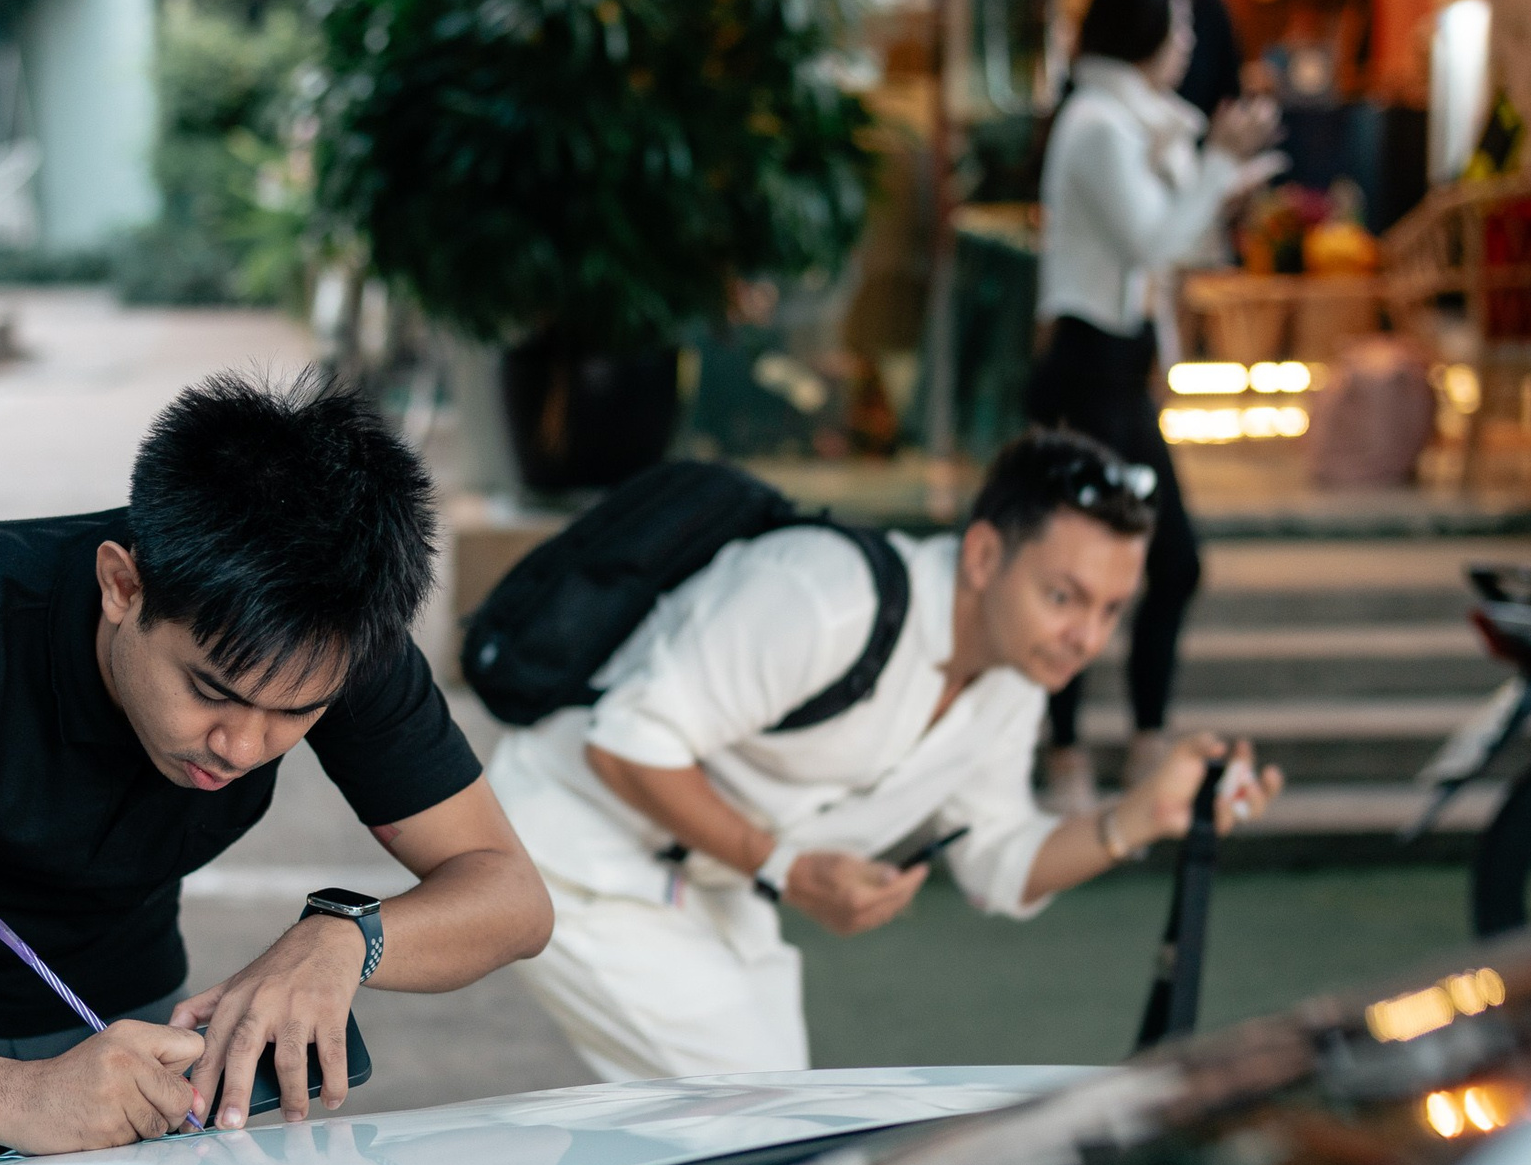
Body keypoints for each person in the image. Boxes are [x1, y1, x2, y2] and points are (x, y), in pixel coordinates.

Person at [0, 373, 553, 1165]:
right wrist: (16, 1096)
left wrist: (345, 939)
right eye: (212, 690)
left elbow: (511, 895)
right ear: (121, 585)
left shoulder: (332, 636)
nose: (244, 745)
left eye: (297, 713)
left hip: (131, 1023)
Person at [487, 430, 1284, 1083]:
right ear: (982, 557)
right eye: (1063, 595)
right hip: (570, 851)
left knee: (756, 1134)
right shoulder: (824, 595)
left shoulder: (1012, 682)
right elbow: (628, 743)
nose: (1088, 637)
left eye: (1112, 608)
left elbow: (999, 862)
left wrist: (1141, 817)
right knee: (753, 1135)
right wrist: (789, 869)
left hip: (709, 886)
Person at [1030, 0, 1282, 811]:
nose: (1186, 43)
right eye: (1175, 27)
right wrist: (1218, 165)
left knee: (1169, 564)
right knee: (1081, 568)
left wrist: (1222, 177)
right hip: (1089, 370)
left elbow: (1181, 242)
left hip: (1122, 371)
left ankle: (1139, 740)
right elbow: (1153, 238)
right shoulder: (1100, 125)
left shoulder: (1142, 126)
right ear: (1137, 34)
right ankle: (1067, 751)